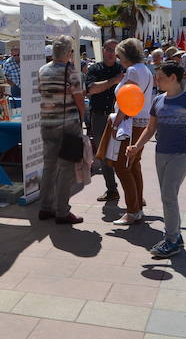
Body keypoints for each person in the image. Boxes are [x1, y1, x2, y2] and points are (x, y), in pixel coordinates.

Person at [127, 62, 186, 257]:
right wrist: (137, 147)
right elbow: (150, 128)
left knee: (168, 195)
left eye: (160, 77)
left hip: (181, 154)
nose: (157, 80)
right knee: (168, 196)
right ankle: (176, 236)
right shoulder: (157, 100)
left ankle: (171, 240)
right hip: (161, 153)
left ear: (173, 78)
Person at [36, 35, 85, 225]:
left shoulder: (42, 70)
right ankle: (62, 211)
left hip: (46, 123)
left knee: (49, 167)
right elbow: (79, 100)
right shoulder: (71, 71)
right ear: (68, 53)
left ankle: (45, 207)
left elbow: (42, 92)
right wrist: (81, 119)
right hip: (67, 126)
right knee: (66, 169)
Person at [111, 38, 154, 225]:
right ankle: (137, 206)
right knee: (134, 164)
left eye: (119, 55)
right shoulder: (145, 70)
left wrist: (116, 122)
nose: (118, 58)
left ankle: (133, 210)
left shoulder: (133, 71)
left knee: (122, 165)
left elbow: (128, 99)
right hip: (141, 121)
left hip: (131, 122)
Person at [85, 39, 124, 202]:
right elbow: (92, 89)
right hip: (100, 116)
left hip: (122, 117)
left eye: (115, 50)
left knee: (123, 154)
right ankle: (112, 189)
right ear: (103, 50)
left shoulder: (124, 68)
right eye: (108, 49)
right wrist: (114, 81)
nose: (111, 53)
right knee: (104, 154)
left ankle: (134, 191)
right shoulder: (95, 68)